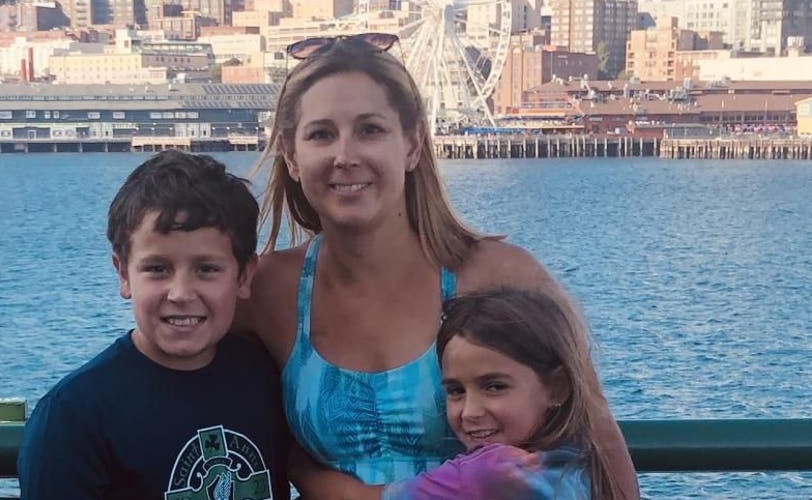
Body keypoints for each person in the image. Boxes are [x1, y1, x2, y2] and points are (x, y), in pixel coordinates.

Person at [235, 33, 639, 498]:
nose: (345, 156)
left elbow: (597, 439)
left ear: (411, 146)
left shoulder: (498, 276)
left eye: (370, 130)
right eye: (321, 134)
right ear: (292, 155)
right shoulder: (267, 291)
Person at [18, 151, 290, 500]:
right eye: (157, 269)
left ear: (244, 275)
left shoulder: (266, 378)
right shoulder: (73, 418)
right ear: (123, 273)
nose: (180, 293)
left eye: (207, 269)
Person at [380, 286, 618, 499]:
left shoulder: (490, 473)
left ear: (557, 388)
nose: (469, 412)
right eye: (456, 391)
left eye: (494, 387)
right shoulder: (580, 459)